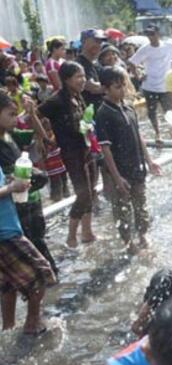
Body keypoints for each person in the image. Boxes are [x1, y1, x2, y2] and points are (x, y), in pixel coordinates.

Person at [0, 90, 56, 335]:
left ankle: (8, 328)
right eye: (10, 114)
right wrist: (11, 187)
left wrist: (9, 182)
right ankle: (32, 324)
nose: (15, 118)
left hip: (10, 222)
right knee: (41, 273)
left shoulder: (10, 137)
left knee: (8, 283)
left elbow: (39, 138)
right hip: (6, 230)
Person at [96, 67, 161, 254]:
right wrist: (116, 178)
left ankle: (143, 235)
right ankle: (128, 243)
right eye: (117, 87)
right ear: (105, 89)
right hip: (119, 171)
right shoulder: (104, 114)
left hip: (136, 166)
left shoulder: (128, 107)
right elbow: (105, 148)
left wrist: (149, 161)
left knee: (141, 204)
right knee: (122, 209)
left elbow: (138, 135)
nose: (122, 90)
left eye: (123, 85)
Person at [38, 61, 97, 248]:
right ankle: (71, 236)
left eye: (83, 76)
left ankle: (87, 232)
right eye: (78, 77)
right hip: (72, 154)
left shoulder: (78, 96)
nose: (82, 80)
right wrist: (45, 138)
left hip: (86, 149)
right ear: (66, 79)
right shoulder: (56, 101)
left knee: (91, 190)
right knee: (82, 194)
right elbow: (33, 115)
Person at [128, 24, 172, 145]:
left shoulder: (169, 46)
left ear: (158, 34)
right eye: (148, 34)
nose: (150, 37)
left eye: (152, 34)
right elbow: (132, 62)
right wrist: (138, 76)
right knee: (152, 112)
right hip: (150, 86)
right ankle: (158, 134)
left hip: (165, 86)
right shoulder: (145, 49)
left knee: (169, 112)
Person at [76, 29, 106, 110]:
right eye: (96, 41)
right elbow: (92, 87)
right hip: (88, 112)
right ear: (84, 42)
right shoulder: (78, 64)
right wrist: (110, 87)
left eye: (100, 42)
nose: (99, 44)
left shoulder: (97, 64)